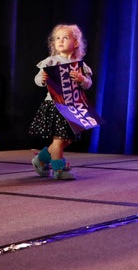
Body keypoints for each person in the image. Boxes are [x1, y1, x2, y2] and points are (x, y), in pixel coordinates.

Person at [29, 23, 93, 180]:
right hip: (55, 105)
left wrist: (81, 79)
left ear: (75, 42)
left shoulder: (80, 64)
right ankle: (59, 169)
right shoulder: (51, 61)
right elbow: (37, 79)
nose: (60, 41)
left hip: (73, 105)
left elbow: (88, 84)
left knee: (68, 139)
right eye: (57, 38)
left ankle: (41, 159)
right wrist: (41, 79)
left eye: (65, 37)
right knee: (59, 139)